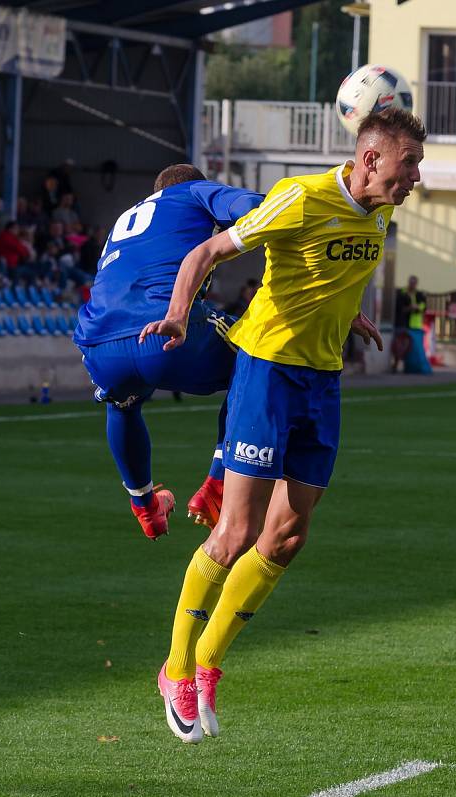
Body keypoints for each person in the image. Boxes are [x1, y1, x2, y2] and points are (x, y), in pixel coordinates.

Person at [140, 106, 423, 744]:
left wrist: (348, 315)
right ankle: (178, 667)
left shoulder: (378, 211)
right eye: (409, 165)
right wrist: (180, 315)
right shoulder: (298, 197)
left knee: (287, 538)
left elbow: (329, 270)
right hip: (267, 371)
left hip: (322, 381)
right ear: (372, 159)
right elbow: (208, 250)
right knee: (236, 529)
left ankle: (209, 660)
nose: (415, 179)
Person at [73, 163, 263, 541]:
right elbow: (260, 208)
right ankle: (217, 483)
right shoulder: (195, 193)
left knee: (122, 405)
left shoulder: (125, 218)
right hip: (166, 328)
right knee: (259, 359)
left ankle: (145, 506)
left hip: (97, 344)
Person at [394, 275, 430, 374]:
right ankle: (396, 365)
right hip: (402, 323)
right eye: (411, 282)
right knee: (400, 346)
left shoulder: (419, 294)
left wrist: (417, 308)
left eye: (414, 283)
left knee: (412, 348)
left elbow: (423, 306)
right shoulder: (402, 293)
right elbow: (400, 308)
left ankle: (408, 367)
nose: (412, 285)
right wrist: (410, 308)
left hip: (415, 326)